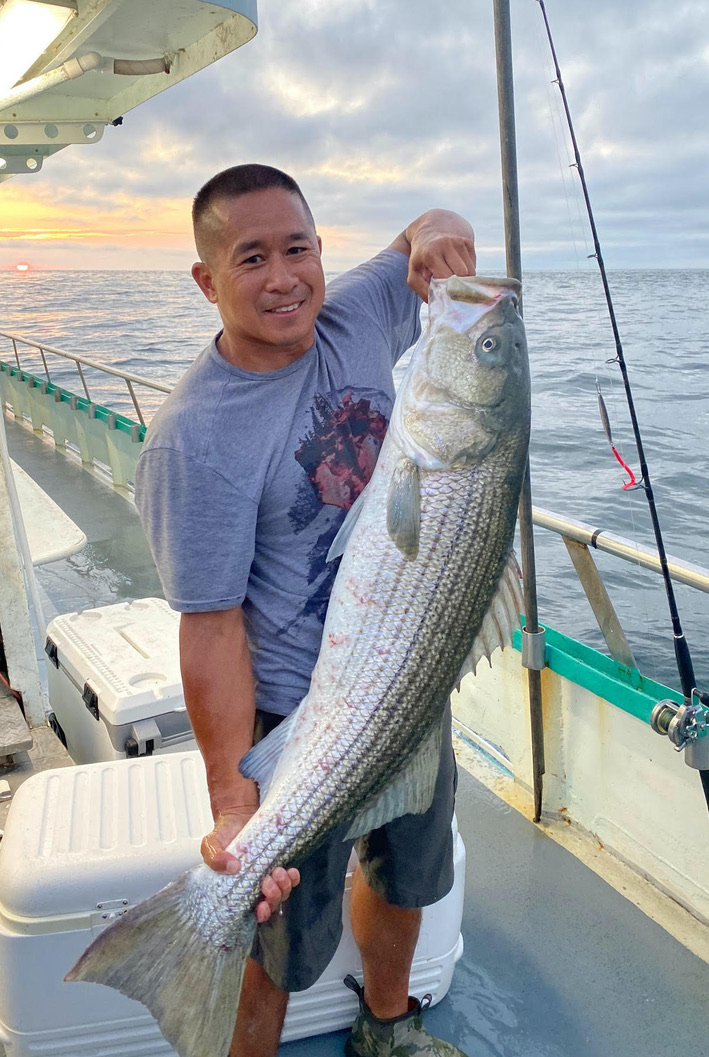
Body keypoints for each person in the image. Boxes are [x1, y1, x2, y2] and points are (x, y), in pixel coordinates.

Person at [135, 164, 476, 1057]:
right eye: (252, 258)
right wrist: (230, 803)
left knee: (407, 874)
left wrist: (442, 225)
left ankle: (386, 1025)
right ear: (208, 281)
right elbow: (209, 626)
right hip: (300, 712)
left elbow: (417, 237)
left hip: (410, 681)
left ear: (323, 251)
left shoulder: (356, 312)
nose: (283, 277)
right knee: (278, 935)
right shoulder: (192, 437)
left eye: (298, 248)